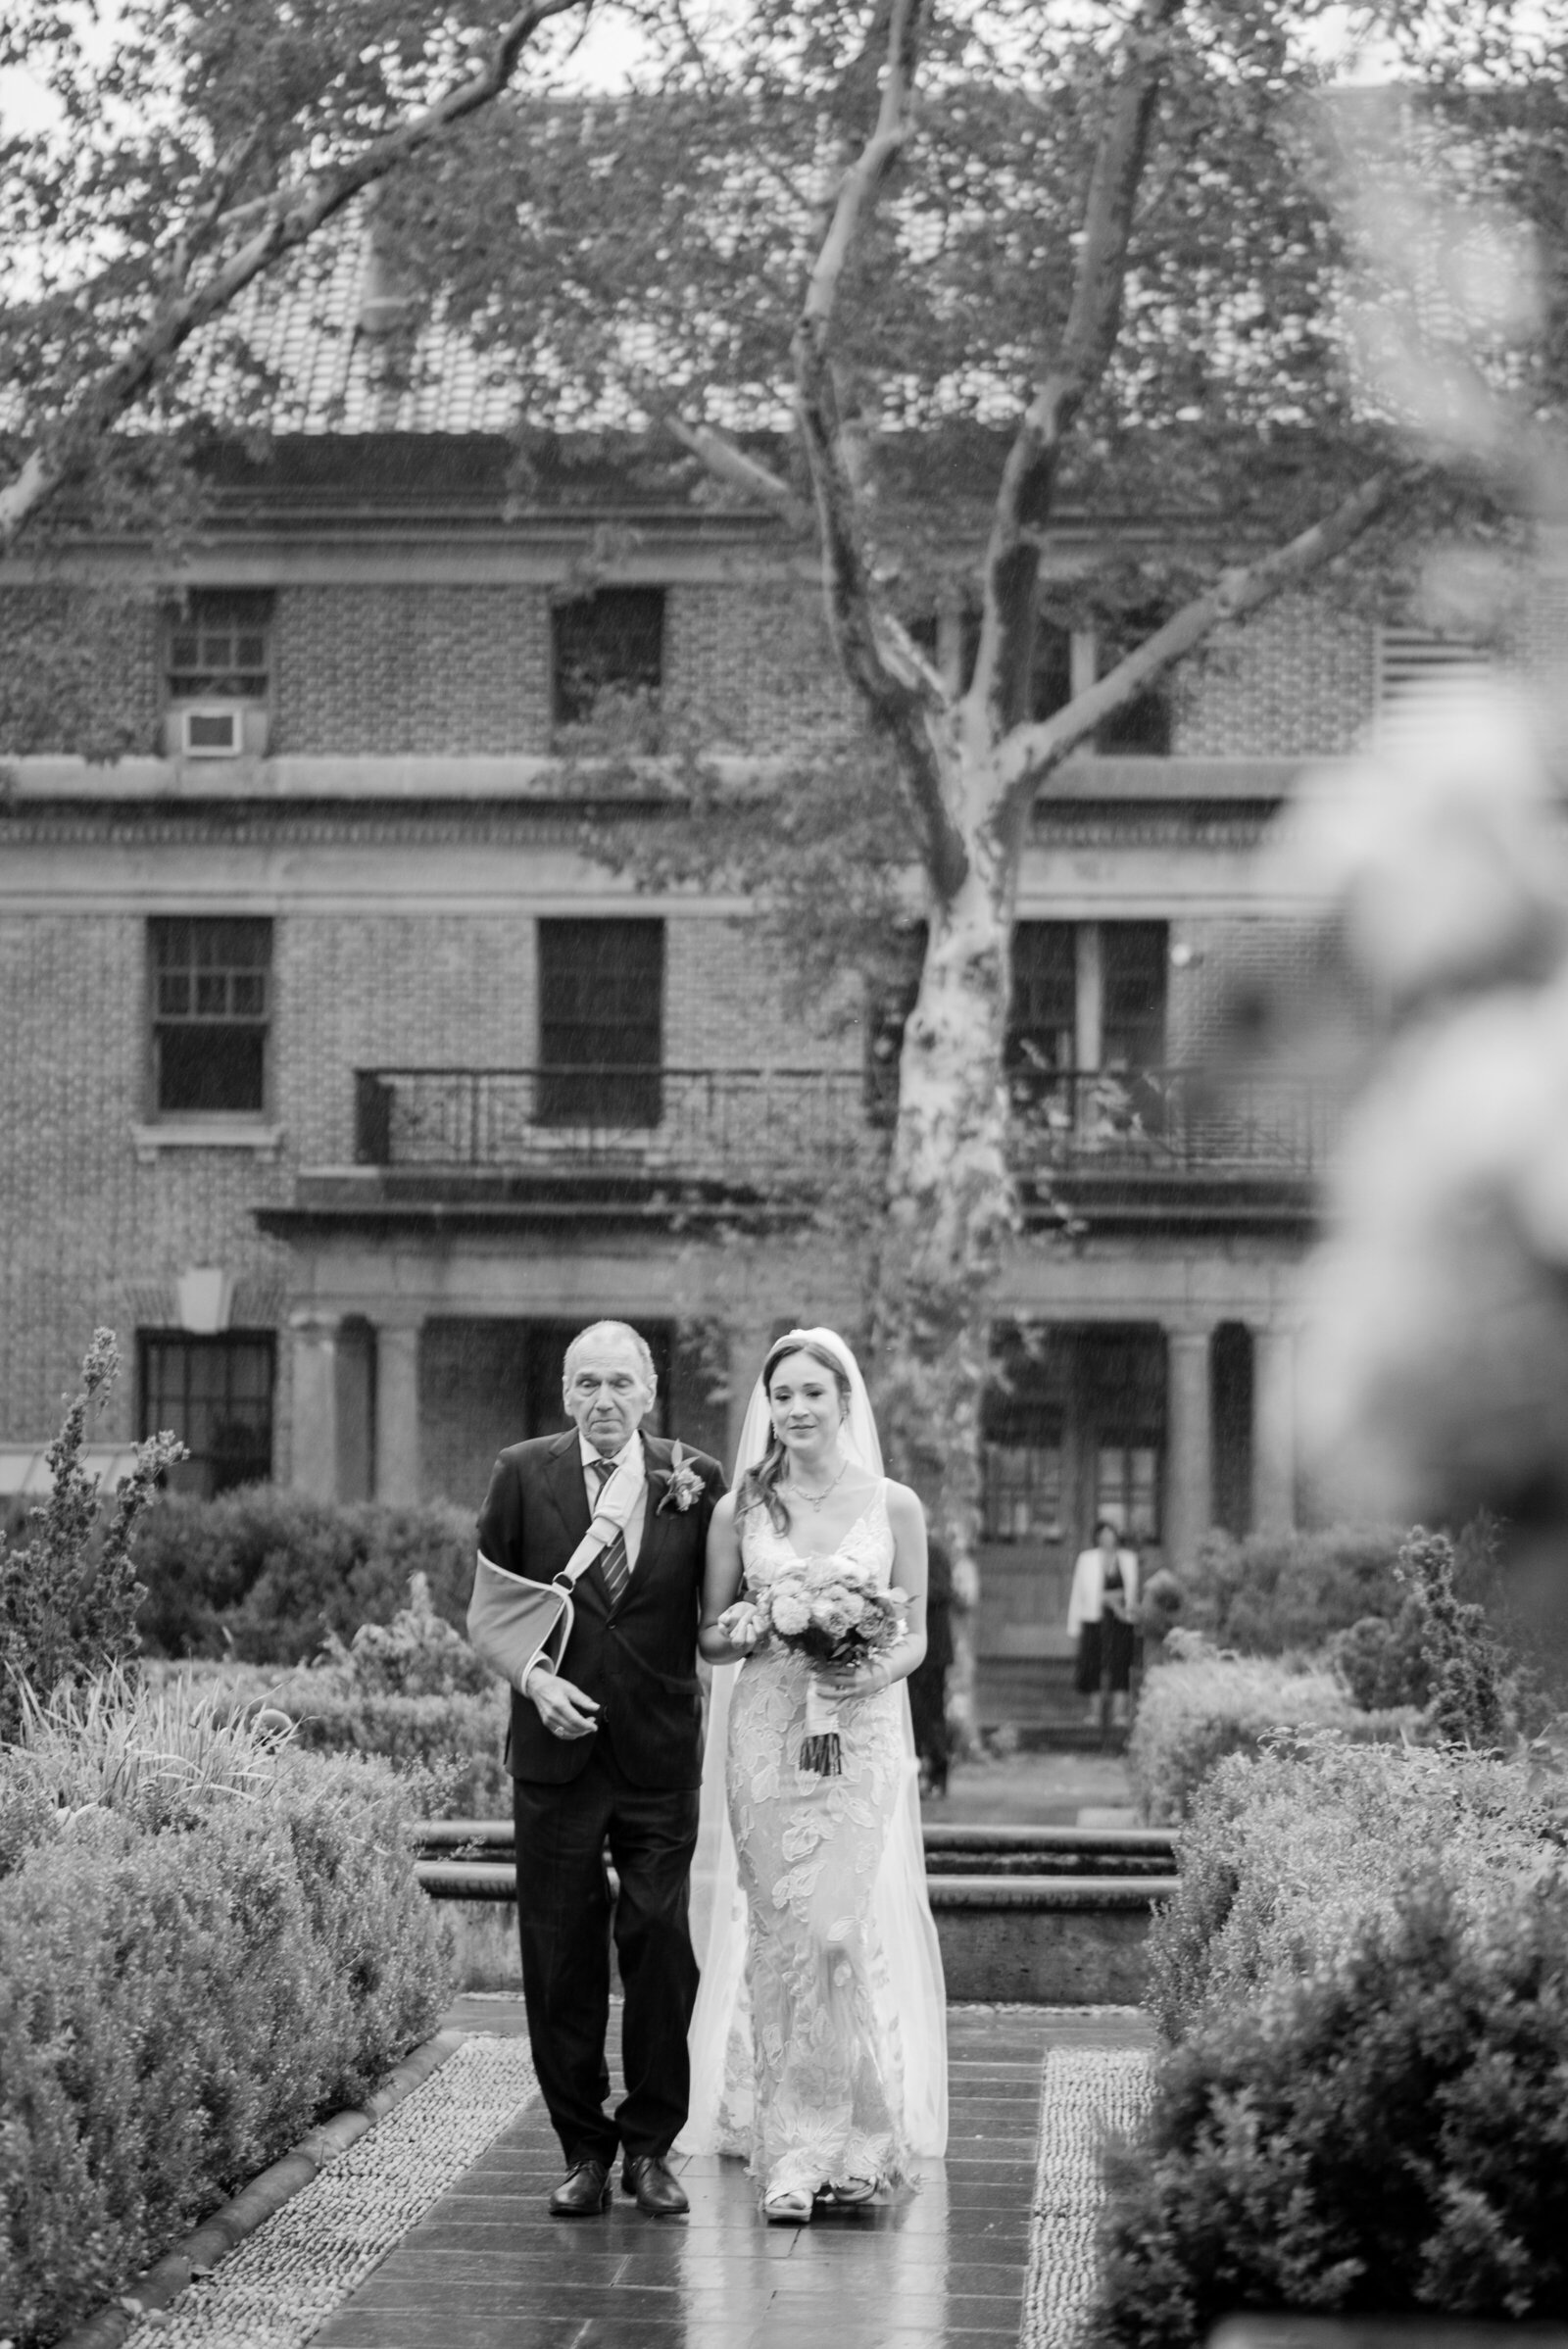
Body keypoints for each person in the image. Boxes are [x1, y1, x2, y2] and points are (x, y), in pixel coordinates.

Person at [680, 1327, 949, 2222]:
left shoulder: (895, 1504)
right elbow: (709, 1635)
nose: (796, 1410)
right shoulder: (741, 1509)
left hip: (858, 1734)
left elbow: (915, 1635)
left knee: (835, 1930)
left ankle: (861, 2132)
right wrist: (762, 1620)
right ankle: (793, 2151)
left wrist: (866, 1666)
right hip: (766, 1735)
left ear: (844, 1402)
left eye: (812, 1395)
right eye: (782, 1395)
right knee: (783, 1934)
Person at [474, 1320, 726, 2220]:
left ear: (652, 1391)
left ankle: (651, 2146)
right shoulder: (519, 1473)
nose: (604, 1399)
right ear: (567, 1394)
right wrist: (535, 1682)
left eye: (621, 1382)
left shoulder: (697, 1480)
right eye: (588, 1383)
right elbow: (491, 1610)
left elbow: (716, 1610)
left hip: (659, 1751)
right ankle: (583, 2147)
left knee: (662, 1944)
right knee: (559, 1954)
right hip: (555, 1753)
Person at [1068, 1518, 1141, 1728]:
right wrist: (1074, 1624)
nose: (1108, 1538)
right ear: (1098, 1537)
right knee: (1092, 1665)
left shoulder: (1128, 1559)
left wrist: (1123, 1606)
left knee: (1121, 1664)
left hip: (1121, 1621)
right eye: (1104, 1534)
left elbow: (1131, 1592)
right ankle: (1095, 1713)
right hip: (1094, 1619)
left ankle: (1119, 1714)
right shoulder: (1087, 1559)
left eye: (1111, 1534)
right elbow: (1080, 1592)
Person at [907, 1534, 956, 1797]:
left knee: (932, 1714)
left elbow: (943, 1590)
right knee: (912, 1716)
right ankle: (914, 1774)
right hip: (906, 1649)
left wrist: (906, 1593)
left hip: (934, 1649)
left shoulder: (933, 1551)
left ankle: (938, 1772)